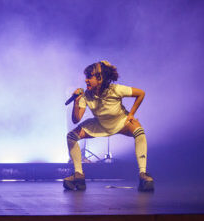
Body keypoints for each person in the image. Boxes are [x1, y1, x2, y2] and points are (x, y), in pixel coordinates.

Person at [63, 61, 154, 192]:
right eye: (86, 77)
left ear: (99, 78)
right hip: (100, 124)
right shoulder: (86, 95)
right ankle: (79, 174)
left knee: (139, 131)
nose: (86, 80)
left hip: (121, 122)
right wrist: (76, 102)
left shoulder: (115, 89)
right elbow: (76, 119)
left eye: (89, 77)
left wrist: (131, 114)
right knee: (71, 136)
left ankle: (143, 173)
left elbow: (141, 93)